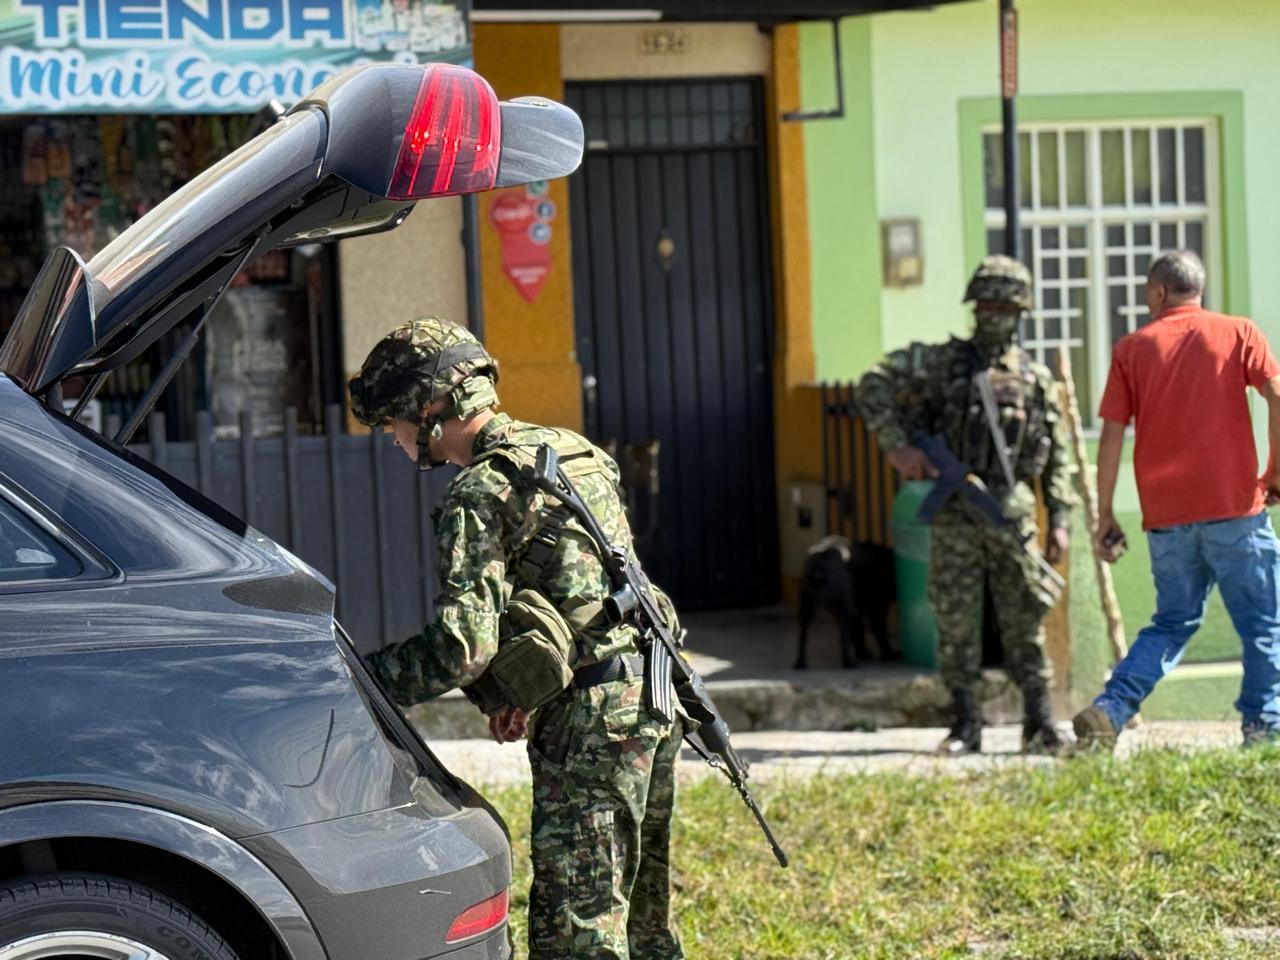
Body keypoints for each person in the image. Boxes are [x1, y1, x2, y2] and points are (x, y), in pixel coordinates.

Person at [350, 317, 683, 960]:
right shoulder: (573, 451)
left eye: (392, 422)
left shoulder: (478, 492)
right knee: (644, 921)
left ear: (428, 409)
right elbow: (583, 594)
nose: (392, 437)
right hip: (654, 692)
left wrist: (361, 683)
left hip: (591, 723)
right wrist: (520, 690)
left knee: (577, 931)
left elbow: (460, 648)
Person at [857, 255, 1075, 755]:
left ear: (1020, 312)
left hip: (1010, 511)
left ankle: (1039, 722)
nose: (994, 315)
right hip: (954, 511)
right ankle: (965, 724)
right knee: (955, 620)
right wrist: (896, 446)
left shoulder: (1036, 379)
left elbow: (1057, 459)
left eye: (1004, 307)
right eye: (986, 305)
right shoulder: (940, 364)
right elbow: (874, 383)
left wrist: (1061, 519)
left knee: (1025, 619)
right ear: (974, 307)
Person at [1074, 250, 1280, 749]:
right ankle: (1263, 732)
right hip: (1236, 509)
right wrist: (1275, 471)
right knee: (1263, 625)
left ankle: (1111, 709)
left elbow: (1111, 435)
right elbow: (1277, 395)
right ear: (1199, 289)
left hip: (1166, 520)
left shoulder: (1132, 349)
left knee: (1172, 622)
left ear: (1159, 292)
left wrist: (1105, 513)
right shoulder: (1239, 333)